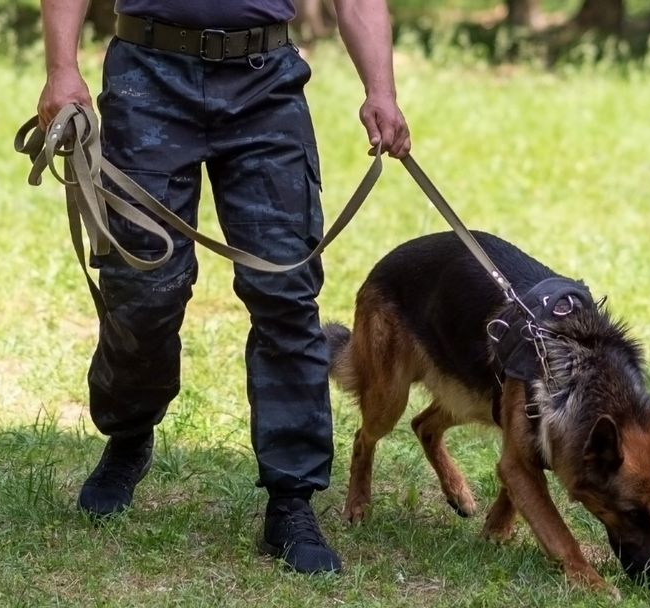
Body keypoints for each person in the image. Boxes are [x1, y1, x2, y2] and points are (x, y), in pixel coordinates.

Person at [35, 0, 410, 574]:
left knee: (285, 292)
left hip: (265, 85)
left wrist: (380, 90)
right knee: (142, 291)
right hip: (148, 75)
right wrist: (62, 69)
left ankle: (291, 500)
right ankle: (130, 434)